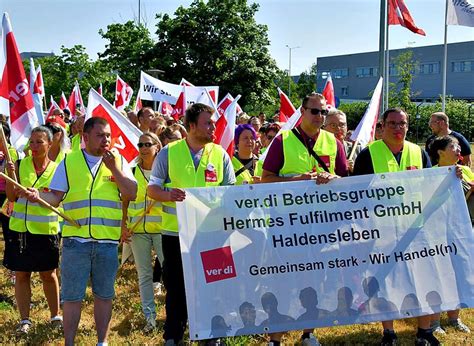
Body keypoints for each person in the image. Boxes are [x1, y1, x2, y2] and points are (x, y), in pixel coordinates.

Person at [22, 117, 137, 345]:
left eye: (107, 135)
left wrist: (114, 168)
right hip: (76, 241)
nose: (106, 140)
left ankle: (102, 341)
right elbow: (55, 197)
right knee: (72, 297)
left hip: (107, 241)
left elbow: (132, 192)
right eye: (100, 135)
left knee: (104, 295)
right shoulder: (69, 161)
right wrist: (36, 196)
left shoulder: (118, 160)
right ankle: (69, 342)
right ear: (85, 138)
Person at [261, 92, 347, 346]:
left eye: (323, 112)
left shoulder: (334, 143)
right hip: (287, 225)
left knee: (315, 280)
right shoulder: (283, 140)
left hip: (322, 224)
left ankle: (308, 333)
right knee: (283, 279)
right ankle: (275, 337)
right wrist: (295, 181)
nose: (320, 116)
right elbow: (265, 179)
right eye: (314, 111)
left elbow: (346, 182)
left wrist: (333, 179)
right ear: (302, 111)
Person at [147, 103, 236, 345]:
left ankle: (212, 334)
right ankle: (173, 335)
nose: (212, 127)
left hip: (212, 233)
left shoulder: (220, 154)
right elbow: (152, 189)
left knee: (214, 284)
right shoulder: (168, 152)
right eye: (208, 123)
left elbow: (231, 193)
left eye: (213, 123)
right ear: (192, 126)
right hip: (175, 233)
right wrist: (168, 195)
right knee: (176, 286)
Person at [352, 108, 437, 346]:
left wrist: (453, 175)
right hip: (381, 230)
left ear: (408, 126)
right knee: (384, 282)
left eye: (402, 124)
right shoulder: (368, 154)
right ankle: (388, 332)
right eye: (392, 124)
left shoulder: (418, 153)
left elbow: (432, 184)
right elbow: (357, 193)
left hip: (416, 229)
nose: (398, 128)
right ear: (381, 126)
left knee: (424, 279)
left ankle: (425, 331)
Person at [4, 126, 62, 334]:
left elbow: (58, 197)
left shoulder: (58, 169)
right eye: (32, 141)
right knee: (21, 274)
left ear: (50, 144)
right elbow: (11, 197)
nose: (34, 146)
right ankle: (24, 320)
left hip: (46, 230)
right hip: (20, 230)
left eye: (39, 142)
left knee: (49, 274)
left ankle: (55, 315)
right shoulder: (19, 165)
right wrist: (10, 175)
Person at [427, 135, 471, 335]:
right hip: (438, 234)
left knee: (459, 272)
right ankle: (434, 321)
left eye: (459, 147)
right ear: (440, 152)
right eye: (454, 146)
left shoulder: (467, 171)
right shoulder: (430, 174)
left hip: (462, 232)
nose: (459, 149)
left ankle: (454, 317)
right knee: (438, 275)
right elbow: (430, 203)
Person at [121, 132, 164, 333]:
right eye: (140, 144)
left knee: (170, 275)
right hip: (138, 230)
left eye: (148, 144)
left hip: (163, 230)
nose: (143, 147)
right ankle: (150, 318)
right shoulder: (131, 171)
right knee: (144, 275)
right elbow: (125, 201)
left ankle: (175, 315)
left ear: (157, 146)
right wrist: (123, 224)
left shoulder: (166, 172)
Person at [324, 109, 361, 173]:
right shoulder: (317, 148)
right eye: (333, 125)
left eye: (342, 125)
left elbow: (366, 177)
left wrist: (355, 170)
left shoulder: (356, 149)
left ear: (347, 127)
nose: (338, 128)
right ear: (324, 128)